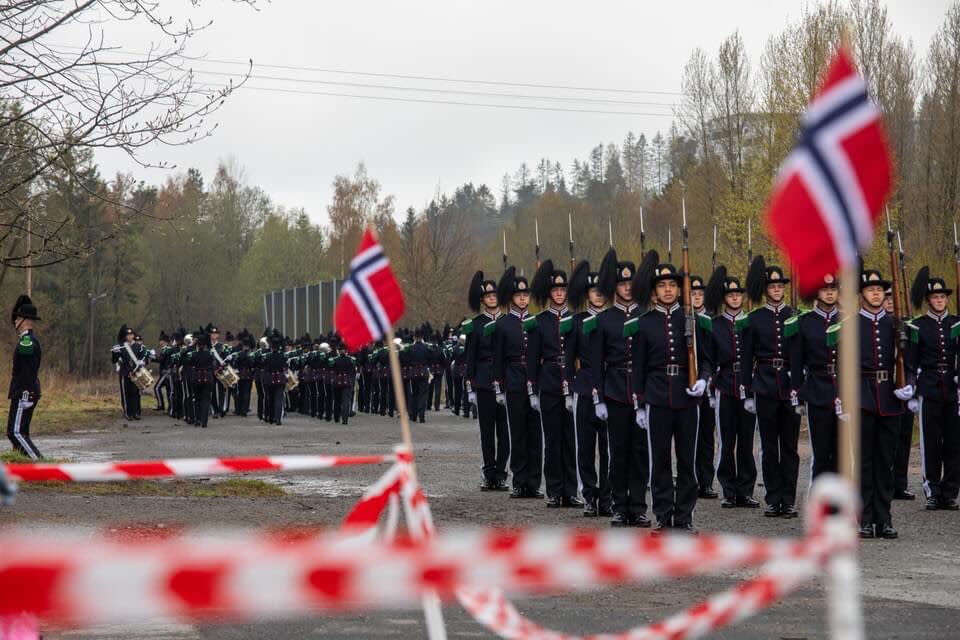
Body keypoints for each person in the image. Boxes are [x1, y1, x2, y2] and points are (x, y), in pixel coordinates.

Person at [632, 253, 710, 534]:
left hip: (687, 397)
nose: (668, 289)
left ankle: (685, 516)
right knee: (661, 460)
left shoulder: (693, 320)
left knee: (687, 460)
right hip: (657, 396)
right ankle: (664, 515)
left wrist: (703, 380)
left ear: (679, 289)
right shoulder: (644, 322)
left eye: (672, 285)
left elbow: (707, 360)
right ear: (654, 290)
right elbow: (638, 367)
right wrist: (640, 404)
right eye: (662, 285)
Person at [589, 249, 648, 527]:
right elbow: (596, 363)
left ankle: (638, 506)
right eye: (622, 284)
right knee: (618, 451)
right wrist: (598, 397)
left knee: (640, 451)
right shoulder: (603, 320)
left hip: (642, 392)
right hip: (614, 389)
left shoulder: (646, 317)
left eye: (630, 284)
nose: (626, 288)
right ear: (615, 287)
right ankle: (619, 506)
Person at [858, 269, 915, 539]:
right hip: (863, 398)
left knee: (886, 462)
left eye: (880, 290)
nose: (876, 293)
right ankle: (865, 519)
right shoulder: (851, 324)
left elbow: (909, 362)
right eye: (871, 290)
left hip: (890, 399)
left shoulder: (895, 324)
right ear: (862, 294)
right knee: (865, 462)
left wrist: (909, 385)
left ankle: (885, 518)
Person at [743, 256, 799, 517]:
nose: (777, 290)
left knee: (789, 447)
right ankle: (773, 498)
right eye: (772, 286)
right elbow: (745, 358)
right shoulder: (754, 318)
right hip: (764, 383)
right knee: (768, 447)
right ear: (766, 289)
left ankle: (788, 498)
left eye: (780, 286)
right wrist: (747, 390)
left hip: (789, 387)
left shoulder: (794, 316)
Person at [704, 266, 758, 512]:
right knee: (727, 441)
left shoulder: (751, 322)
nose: (735, 298)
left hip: (747, 384)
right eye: (730, 295)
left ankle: (745, 491)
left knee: (747, 441)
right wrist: (712, 386)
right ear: (724, 298)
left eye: (738, 294)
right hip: (725, 385)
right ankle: (728, 489)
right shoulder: (715, 325)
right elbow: (709, 358)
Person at [906, 268, 960, 510]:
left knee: (953, 441)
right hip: (929, 386)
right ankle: (932, 489)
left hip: (953, 387)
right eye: (935, 297)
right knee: (930, 442)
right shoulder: (918, 326)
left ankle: (950, 491)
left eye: (942, 297)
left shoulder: (957, 323)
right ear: (928, 300)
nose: (939, 300)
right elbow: (911, 361)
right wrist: (913, 387)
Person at [528, 260, 580, 508]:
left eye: (563, 290)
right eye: (555, 290)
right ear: (550, 293)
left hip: (571, 383)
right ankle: (554, 490)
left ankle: (570, 490)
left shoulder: (575, 319)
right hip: (548, 382)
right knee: (552, 440)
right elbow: (531, 360)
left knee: (571, 440)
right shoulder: (539, 322)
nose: (559, 293)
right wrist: (533, 390)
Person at [566, 260, 612, 517]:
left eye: (601, 291)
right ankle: (589, 495)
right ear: (587, 295)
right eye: (593, 291)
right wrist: (569, 389)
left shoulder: (612, 319)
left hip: (609, 387)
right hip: (584, 387)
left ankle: (607, 496)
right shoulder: (576, 322)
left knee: (609, 448)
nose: (597, 295)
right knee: (584, 448)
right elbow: (568, 358)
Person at [494, 267, 542, 499]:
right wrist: (499, 387)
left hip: (534, 381)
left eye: (526, 294)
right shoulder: (503, 324)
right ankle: (519, 480)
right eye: (519, 294)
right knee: (518, 433)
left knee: (535, 433)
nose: (523, 298)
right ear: (512, 297)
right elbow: (498, 359)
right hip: (513, 380)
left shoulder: (536, 321)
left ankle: (534, 481)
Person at [789, 273, 841, 482]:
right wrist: (798, 394)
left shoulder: (848, 320)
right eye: (825, 289)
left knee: (842, 453)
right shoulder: (805, 322)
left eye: (833, 289)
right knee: (821, 454)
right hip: (817, 389)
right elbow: (797, 361)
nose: (829, 293)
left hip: (843, 390)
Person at [465, 271, 509, 491]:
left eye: (495, 295)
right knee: (487, 431)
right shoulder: (475, 325)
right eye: (488, 296)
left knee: (505, 430)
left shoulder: (507, 321)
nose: (492, 298)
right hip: (483, 379)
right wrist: (470, 385)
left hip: (506, 380)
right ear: (483, 299)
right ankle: (489, 472)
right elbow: (470, 357)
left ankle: (501, 473)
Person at [690, 275, 718, 500]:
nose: (697, 297)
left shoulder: (711, 320)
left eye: (700, 294)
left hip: (708, 383)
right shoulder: (683, 319)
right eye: (693, 293)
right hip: (688, 385)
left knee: (707, 436)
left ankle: (706, 481)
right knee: (688, 436)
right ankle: (689, 478)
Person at [7, 295, 42, 460]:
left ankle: (39, 465)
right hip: (24, 391)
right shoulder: (26, 340)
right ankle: (26, 464)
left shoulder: (26, 341)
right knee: (20, 432)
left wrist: (26, 394)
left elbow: (28, 372)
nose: (15, 322)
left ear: (24, 320)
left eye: (17, 318)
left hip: (24, 392)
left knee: (16, 432)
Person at [111, 325, 142, 420]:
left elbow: (141, 358)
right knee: (126, 394)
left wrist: (142, 361)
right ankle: (127, 413)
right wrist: (115, 354)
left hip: (135, 373)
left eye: (131, 334)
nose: (130, 336)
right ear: (125, 336)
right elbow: (114, 360)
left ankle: (135, 412)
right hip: (125, 373)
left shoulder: (137, 346)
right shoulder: (121, 346)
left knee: (134, 393)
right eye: (128, 335)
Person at [262, 331, 289, 425]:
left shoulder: (267, 357)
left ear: (271, 347)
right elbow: (285, 367)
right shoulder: (283, 357)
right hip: (280, 378)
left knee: (271, 398)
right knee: (278, 399)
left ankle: (270, 417)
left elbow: (265, 367)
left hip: (269, 379)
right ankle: (278, 419)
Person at [191, 330, 215, 429]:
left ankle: (197, 419)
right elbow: (212, 365)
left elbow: (191, 364)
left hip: (196, 377)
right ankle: (204, 422)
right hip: (207, 377)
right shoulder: (209, 354)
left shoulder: (193, 354)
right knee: (206, 400)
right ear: (204, 345)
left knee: (197, 400)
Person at [331, 339, 357, 425]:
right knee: (346, 401)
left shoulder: (334, 360)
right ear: (346, 350)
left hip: (337, 381)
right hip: (347, 381)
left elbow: (332, 370)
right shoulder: (351, 359)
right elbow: (353, 371)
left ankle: (336, 417)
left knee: (337, 400)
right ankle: (345, 419)